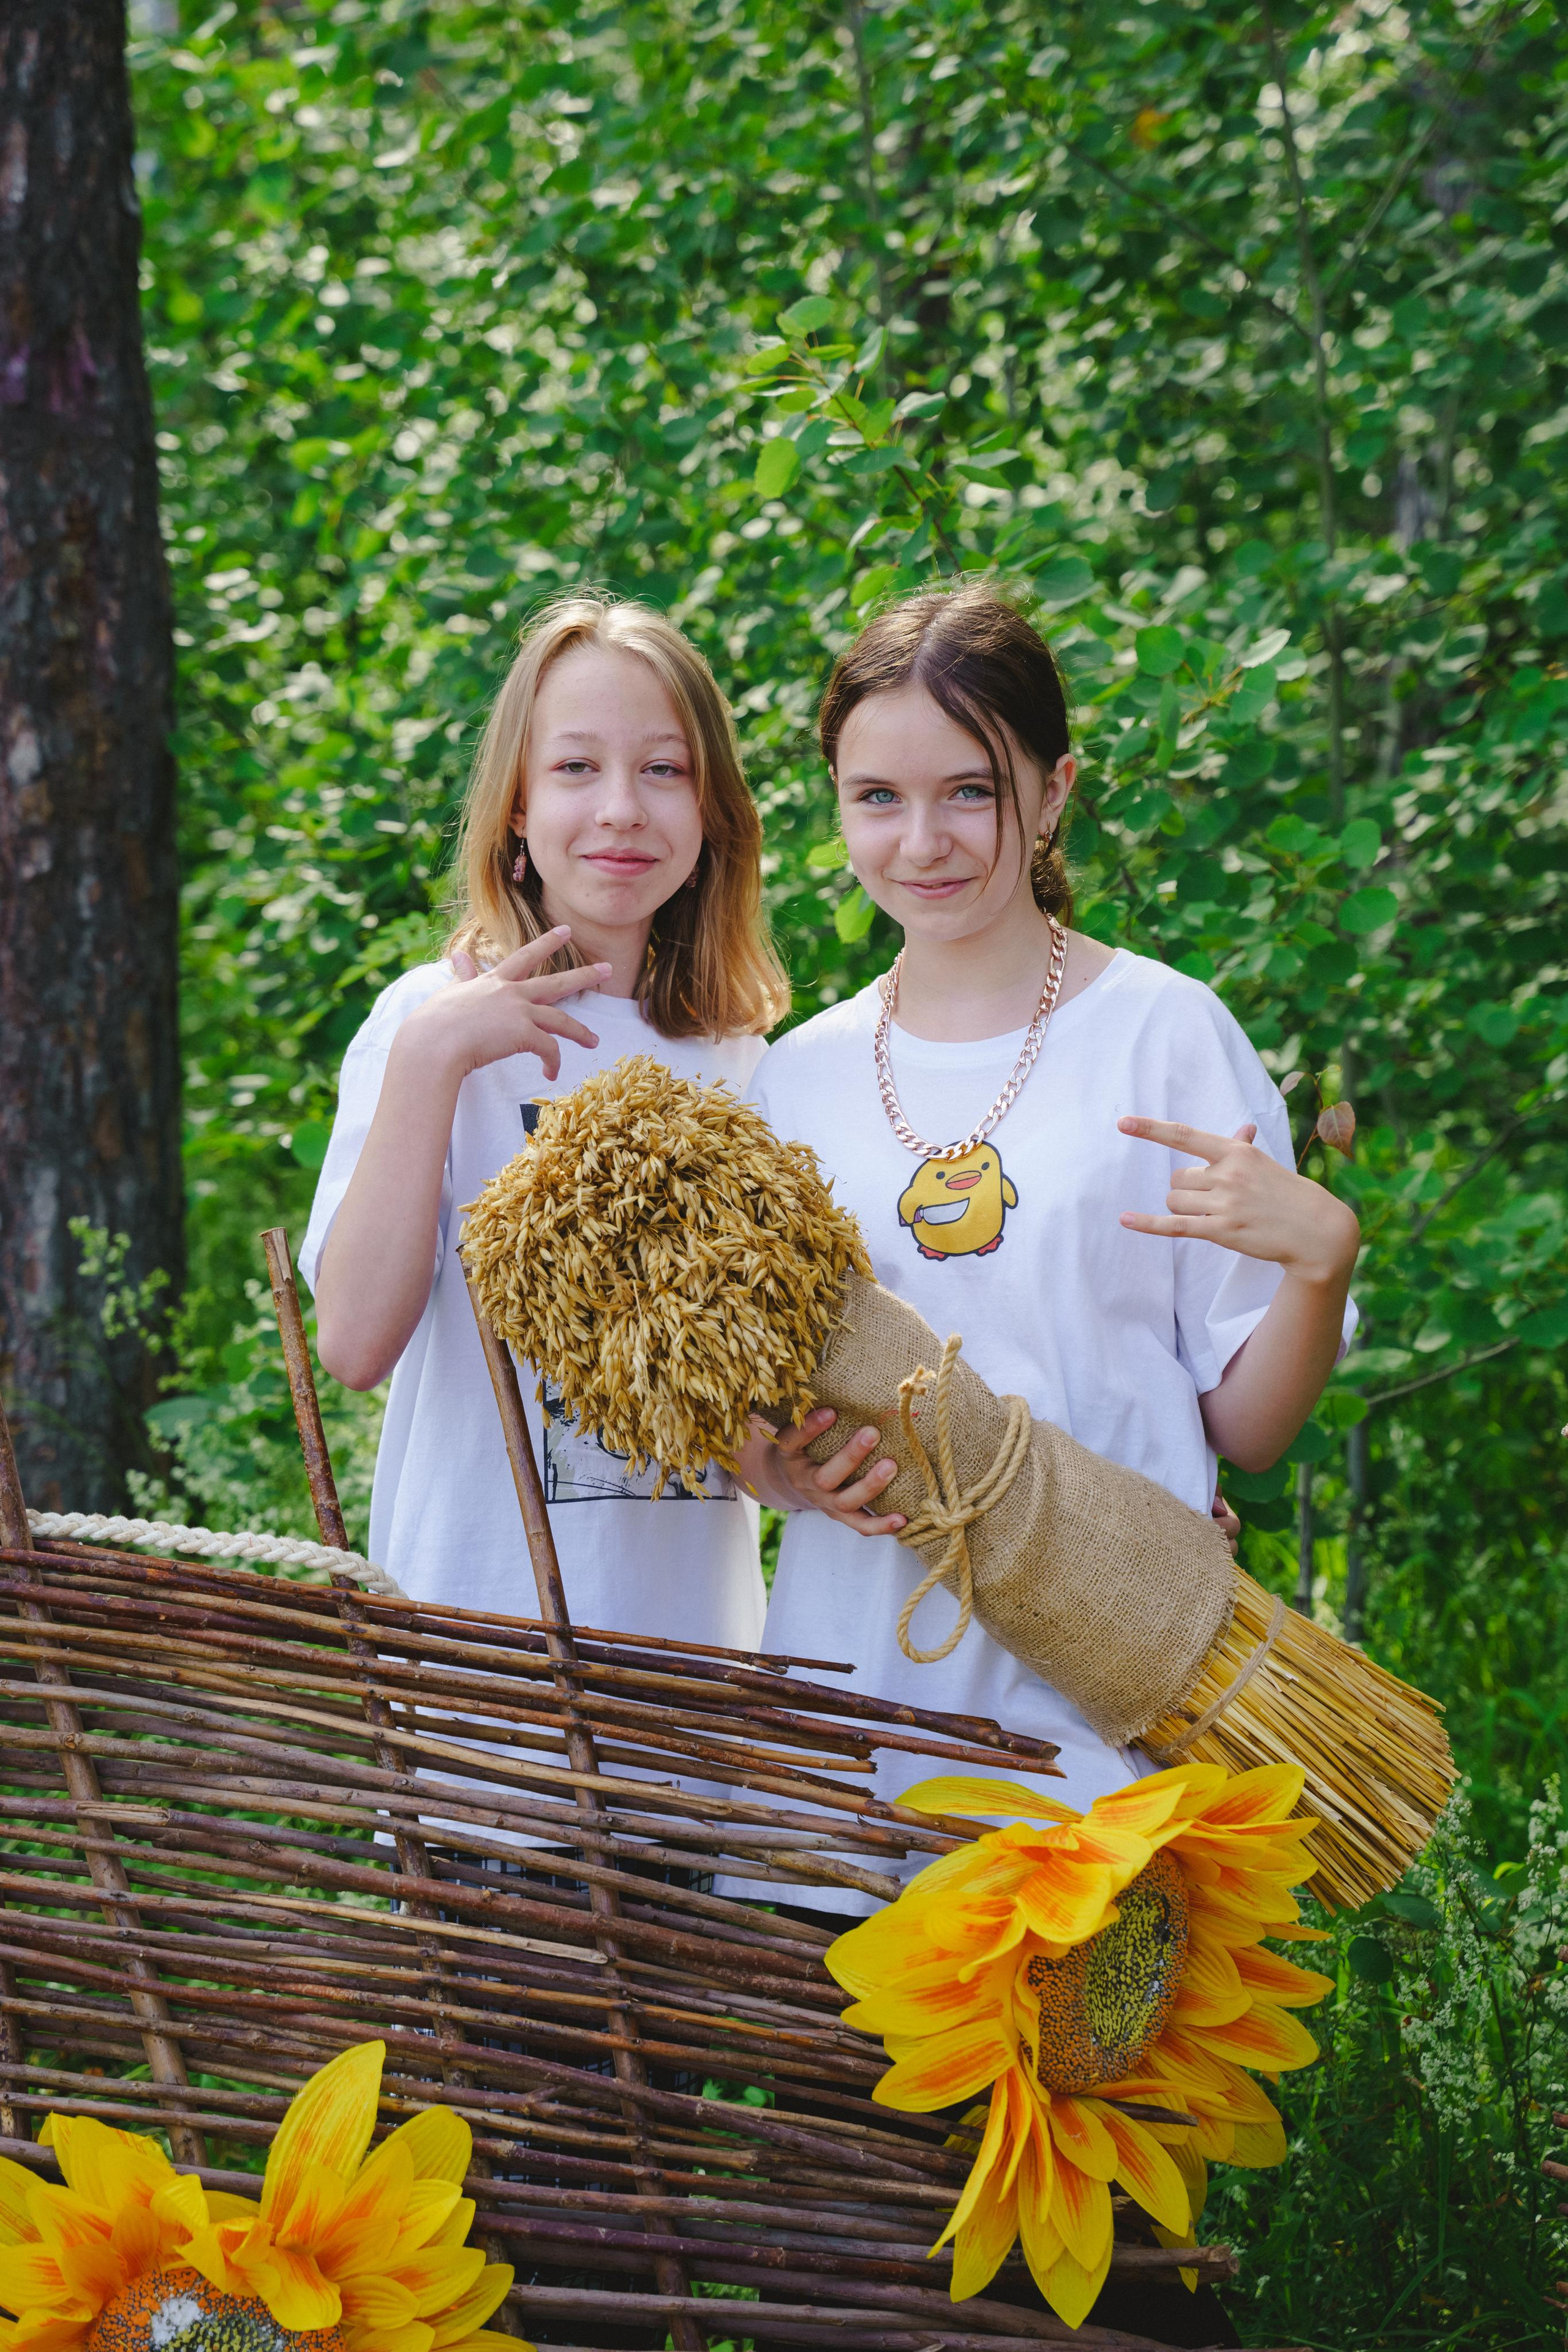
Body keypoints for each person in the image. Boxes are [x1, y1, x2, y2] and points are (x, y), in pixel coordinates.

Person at [734, 582, 1360, 1858]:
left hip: (1109, 1702)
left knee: (1108, 2051)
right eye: (877, 798)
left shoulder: (1162, 1036)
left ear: (1054, 790)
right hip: (862, 1703)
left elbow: (1243, 1428)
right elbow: (750, 1426)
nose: (923, 840)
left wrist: (1317, 1259)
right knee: (852, 2059)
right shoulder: (792, 1078)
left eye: (971, 790)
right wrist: (776, 1470)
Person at [301, 595, 789, 1642]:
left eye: (664, 770)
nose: (621, 807)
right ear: (516, 806)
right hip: (480, 1643)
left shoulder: (743, 1062)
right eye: (576, 768)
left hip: (691, 1655)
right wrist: (435, 1057)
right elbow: (351, 1343)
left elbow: (762, 1414)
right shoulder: (422, 1026)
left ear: (713, 816)